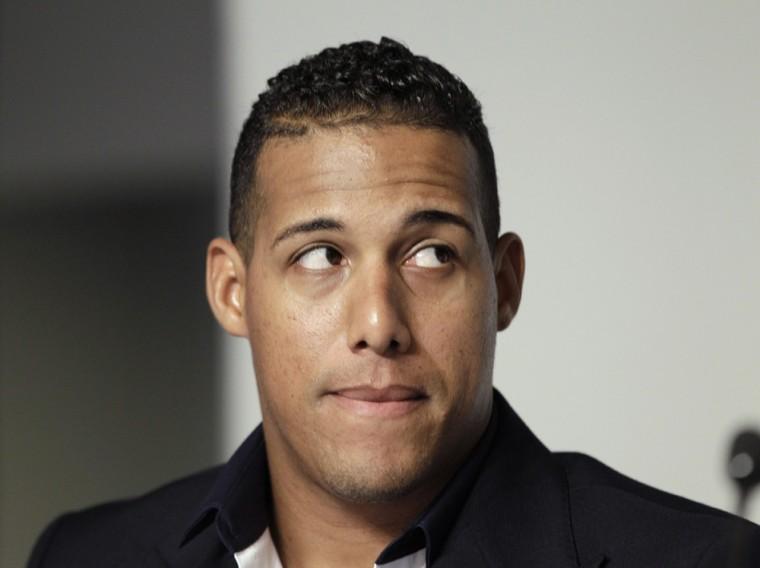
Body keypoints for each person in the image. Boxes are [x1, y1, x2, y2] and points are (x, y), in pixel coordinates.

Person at [28, 37, 760, 568]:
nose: (379, 325)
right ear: (233, 291)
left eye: (432, 254)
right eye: (321, 257)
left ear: (503, 285)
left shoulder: (701, 559)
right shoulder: (84, 555)